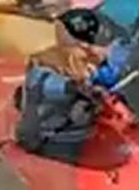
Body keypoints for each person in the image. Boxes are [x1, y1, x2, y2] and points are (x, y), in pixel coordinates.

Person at [13, 9, 130, 167]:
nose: (91, 49)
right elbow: (47, 86)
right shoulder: (46, 66)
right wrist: (78, 88)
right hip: (49, 140)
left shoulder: (90, 60)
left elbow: (107, 78)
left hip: (81, 132)